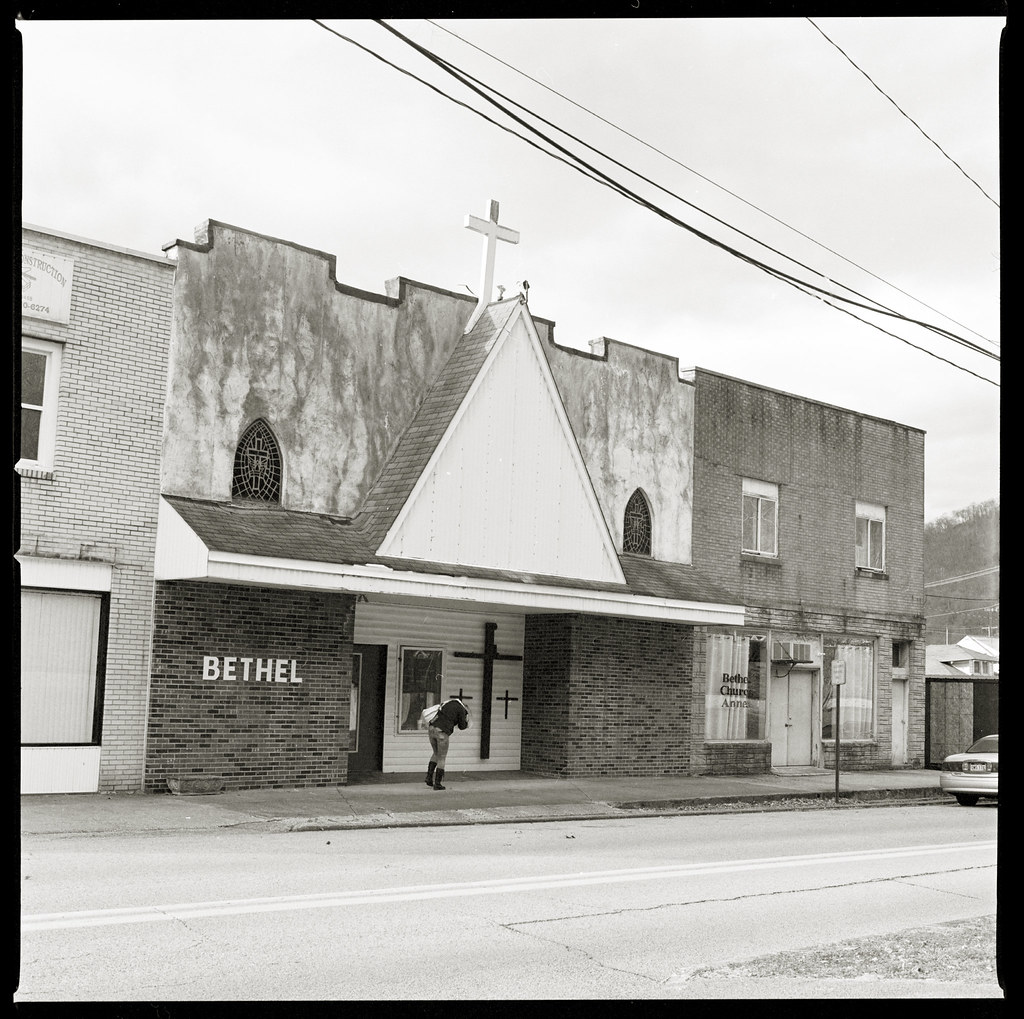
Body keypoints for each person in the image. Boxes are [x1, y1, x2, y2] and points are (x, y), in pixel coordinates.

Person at [425, 696, 469, 790]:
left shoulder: (447, 703)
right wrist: (466, 722)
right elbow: (462, 726)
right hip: (442, 732)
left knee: (436, 753)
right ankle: (437, 784)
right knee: (442, 757)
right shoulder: (461, 709)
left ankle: (429, 778)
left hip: (431, 729)